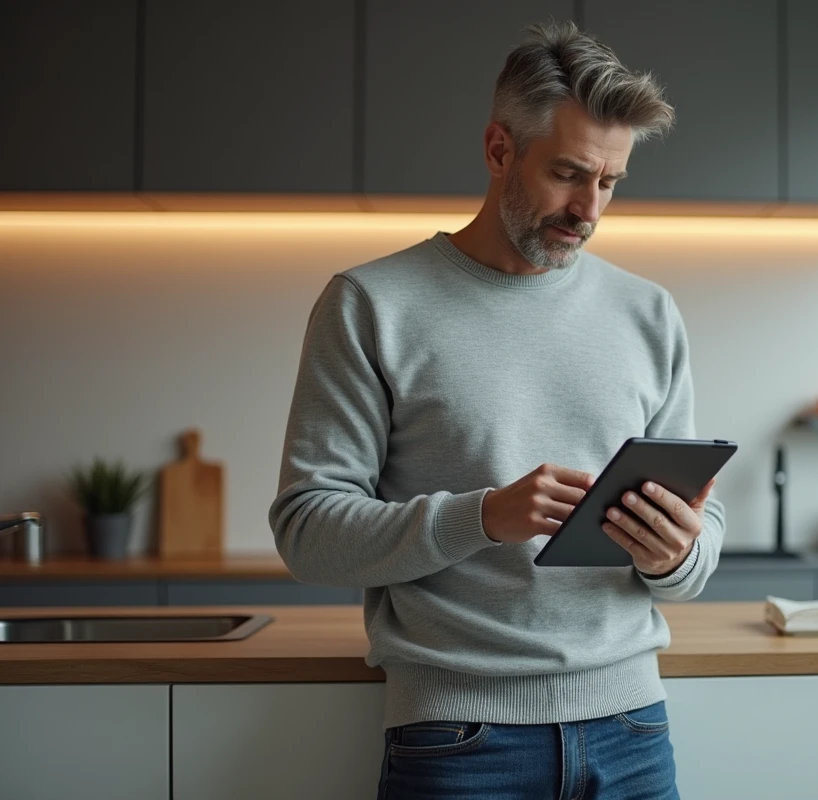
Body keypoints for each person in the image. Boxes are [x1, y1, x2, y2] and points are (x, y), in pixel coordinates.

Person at [268, 19, 726, 800]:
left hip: (635, 731)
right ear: (498, 149)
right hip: (457, 741)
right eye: (569, 174)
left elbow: (700, 542)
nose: (589, 208)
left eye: (610, 182)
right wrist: (481, 517)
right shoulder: (372, 304)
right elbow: (308, 532)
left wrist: (675, 555)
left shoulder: (649, 313)